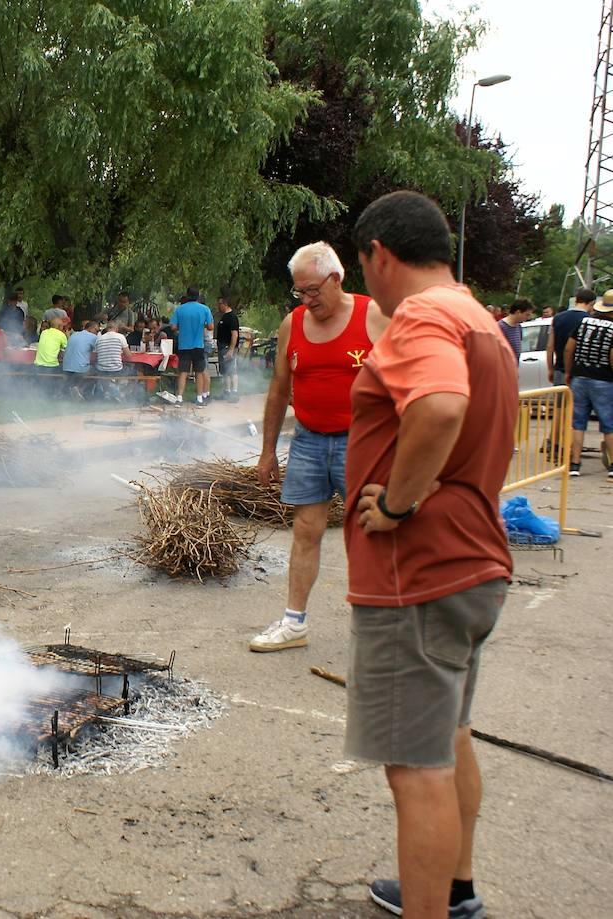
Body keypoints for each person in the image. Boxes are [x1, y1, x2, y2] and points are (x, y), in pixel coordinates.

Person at [347, 189, 517, 919]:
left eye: (364, 269)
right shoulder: (478, 316)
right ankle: (455, 890)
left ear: (379, 254)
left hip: (416, 572)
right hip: (474, 562)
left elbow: (441, 406)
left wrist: (395, 504)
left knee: (415, 769)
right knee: (449, 739)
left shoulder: (422, 314)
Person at [252, 241, 387, 652]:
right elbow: (279, 389)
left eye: (313, 290)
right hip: (309, 440)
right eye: (300, 292)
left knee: (372, 532)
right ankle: (294, 623)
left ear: (336, 278)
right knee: (305, 531)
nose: (307, 300)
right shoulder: (292, 324)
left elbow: (403, 384)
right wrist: (267, 449)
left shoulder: (373, 315)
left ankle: (384, 627)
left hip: (362, 443)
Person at [562, 288, 613, 478]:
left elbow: (569, 349)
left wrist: (569, 372)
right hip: (604, 380)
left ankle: (575, 464)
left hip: (579, 378)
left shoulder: (584, 323)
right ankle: (612, 466)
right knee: (608, 424)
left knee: (578, 423)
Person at [168, 288, 214, 405]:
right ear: (198, 296)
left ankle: (179, 398)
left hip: (184, 345)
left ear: (187, 296)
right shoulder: (205, 309)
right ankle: (199, 398)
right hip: (198, 345)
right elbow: (210, 327)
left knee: (183, 372)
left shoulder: (180, 309)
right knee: (199, 372)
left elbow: (173, 327)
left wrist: (182, 326)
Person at [548, 287, 594, 386]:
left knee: (561, 401)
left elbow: (550, 347)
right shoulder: (589, 321)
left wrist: (550, 369)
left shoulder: (557, 318)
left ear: (576, 300)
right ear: (591, 303)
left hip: (560, 370)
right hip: (581, 374)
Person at [62, 319, 100, 397]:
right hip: (80, 369)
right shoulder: (93, 337)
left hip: (66, 367)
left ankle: (73, 391)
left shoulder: (74, 334)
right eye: (97, 330)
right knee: (97, 372)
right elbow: (98, 352)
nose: (97, 333)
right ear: (90, 328)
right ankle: (80, 390)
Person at [33, 309, 67, 389]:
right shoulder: (61, 334)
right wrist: (67, 335)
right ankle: (60, 392)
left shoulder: (44, 332)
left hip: (38, 366)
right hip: (51, 367)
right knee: (68, 372)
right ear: (59, 326)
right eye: (62, 326)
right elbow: (67, 349)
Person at [216, 297, 241, 401]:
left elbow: (234, 335)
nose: (218, 306)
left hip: (228, 347)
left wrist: (231, 350)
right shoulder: (224, 317)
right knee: (225, 371)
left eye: (219, 304)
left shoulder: (232, 317)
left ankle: (234, 393)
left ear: (225, 304)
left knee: (232, 370)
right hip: (222, 347)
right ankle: (227, 392)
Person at [496, 298, 534, 364]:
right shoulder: (500, 327)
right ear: (518, 312)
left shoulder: (518, 327)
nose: (528, 318)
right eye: (527, 314)